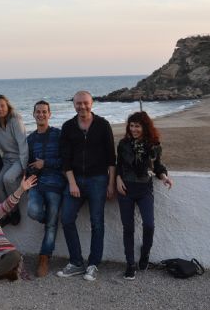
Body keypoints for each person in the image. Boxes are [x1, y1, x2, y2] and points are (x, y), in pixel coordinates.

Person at [57, 91, 116, 282]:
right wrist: (72, 183)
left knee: (97, 222)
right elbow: (65, 159)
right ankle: (76, 262)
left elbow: (111, 157)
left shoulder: (103, 125)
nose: (82, 106)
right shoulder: (68, 127)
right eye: (78, 103)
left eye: (85, 103)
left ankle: (93, 264)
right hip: (74, 180)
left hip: (98, 180)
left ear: (92, 103)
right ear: (74, 104)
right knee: (66, 219)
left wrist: (111, 184)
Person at [116, 111, 173, 280]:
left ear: (145, 127)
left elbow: (157, 166)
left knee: (149, 225)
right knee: (128, 228)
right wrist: (118, 179)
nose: (134, 129)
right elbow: (119, 165)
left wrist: (164, 177)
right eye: (131, 126)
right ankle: (130, 264)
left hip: (144, 189)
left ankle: (145, 253)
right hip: (125, 189)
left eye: (138, 126)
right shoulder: (123, 144)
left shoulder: (153, 145)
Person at [26, 101, 66, 277]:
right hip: (36, 183)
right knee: (33, 211)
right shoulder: (30, 139)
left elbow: (65, 160)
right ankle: (50, 221)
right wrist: (27, 177)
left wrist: (46, 163)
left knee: (51, 225)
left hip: (55, 184)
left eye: (44, 112)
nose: (41, 114)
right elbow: (28, 163)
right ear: (33, 114)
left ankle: (44, 257)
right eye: (38, 112)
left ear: (49, 114)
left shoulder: (58, 134)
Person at [0, 94, 28, 225]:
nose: (0, 109)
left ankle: (14, 210)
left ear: (8, 107)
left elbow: (23, 144)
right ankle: (4, 214)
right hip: (6, 160)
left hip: (19, 158)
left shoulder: (15, 121)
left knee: (8, 178)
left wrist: (24, 167)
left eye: (2, 106)